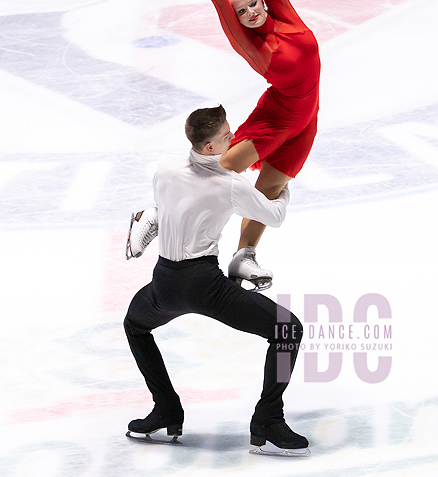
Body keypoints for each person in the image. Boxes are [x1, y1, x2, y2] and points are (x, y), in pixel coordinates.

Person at [124, 105, 309, 455]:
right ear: (209, 147)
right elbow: (275, 216)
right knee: (288, 330)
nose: (233, 136)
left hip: (164, 282)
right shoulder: (231, 185)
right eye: (226, 135)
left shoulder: (164, 168)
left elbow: (165, 207)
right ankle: (268, 418)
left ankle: (166, 407)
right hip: (204, 286)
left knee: (135, 325)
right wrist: (280, 185)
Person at [166, 0, 321, 284]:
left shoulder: (285, 14)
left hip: (307, 120)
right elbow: (221, 3)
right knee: (216, 171)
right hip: (277, 116)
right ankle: (154, 215)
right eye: (242, 10)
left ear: (263, 2)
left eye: (253, 3)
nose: (250, 11)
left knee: (268, 190)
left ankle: (242, 258)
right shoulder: (252, 46)